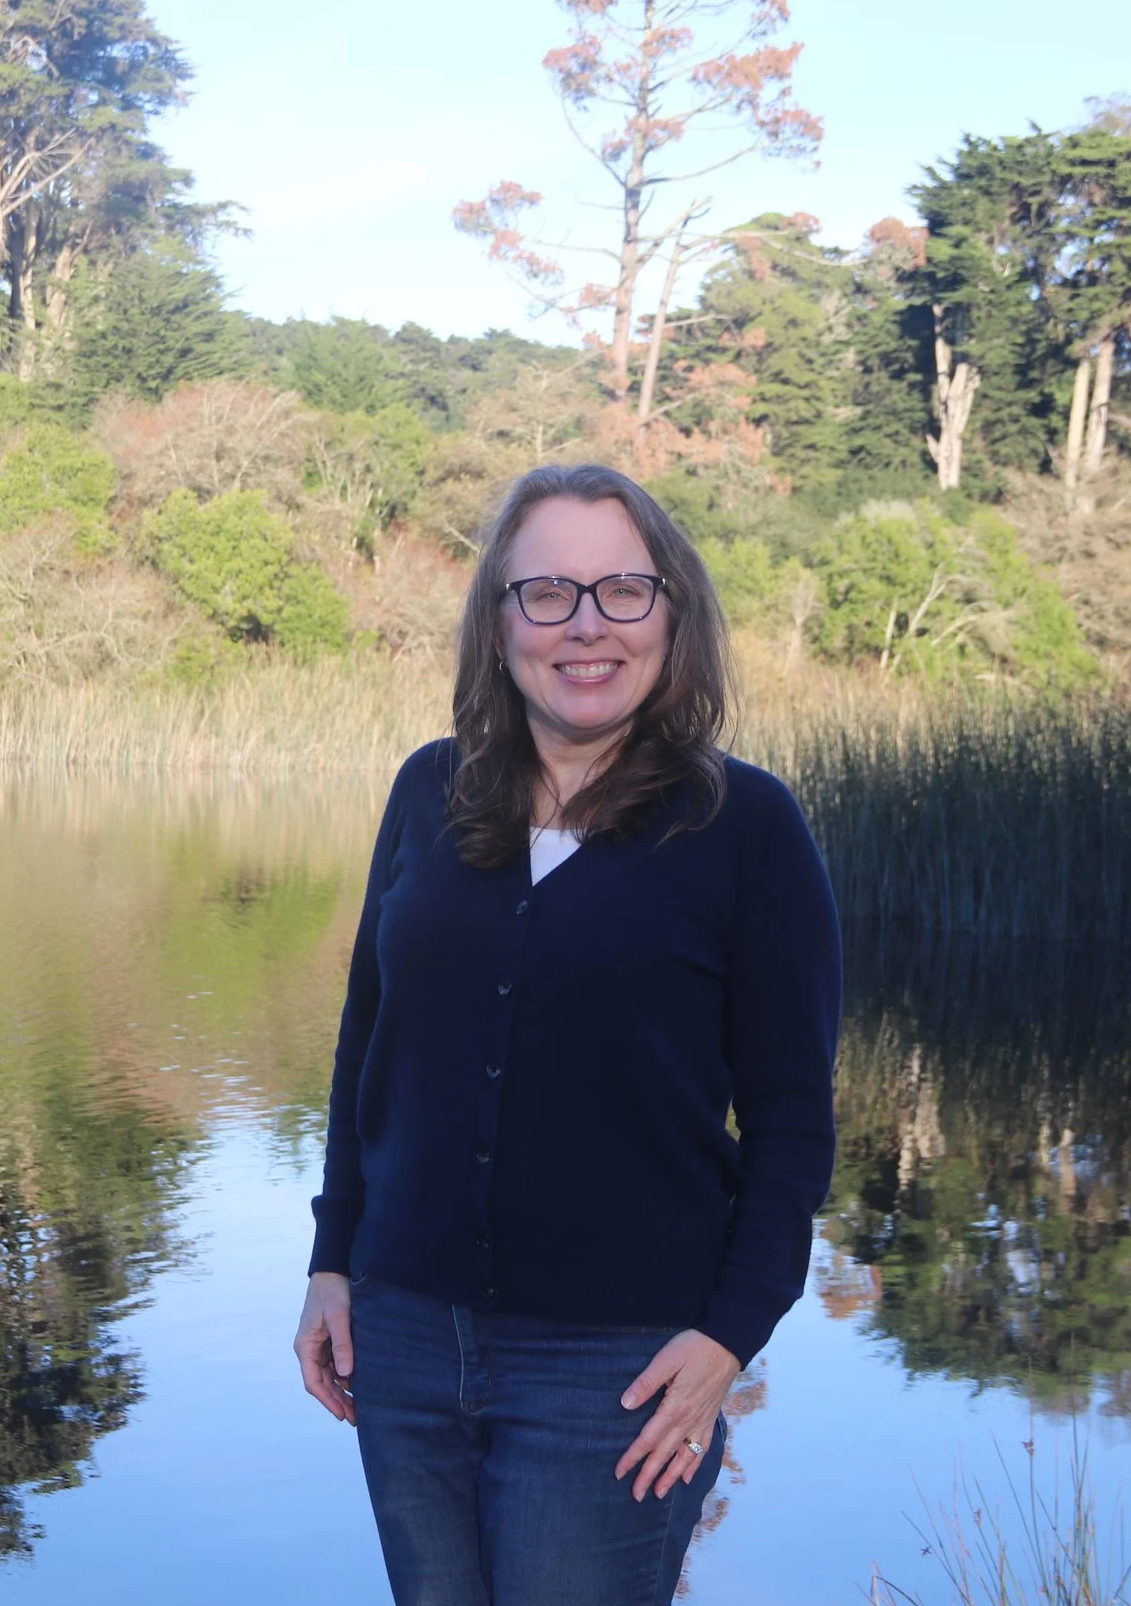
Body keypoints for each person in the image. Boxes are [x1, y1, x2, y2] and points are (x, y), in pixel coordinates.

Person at [293, 463, 842, 1606]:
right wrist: (331, 1258)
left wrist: (733, 1333)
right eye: (545, 592)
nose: (585, 624)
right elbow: (367, 1044)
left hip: (621, 1364)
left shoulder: (746, 826)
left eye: (622, 590)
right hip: (402, 1334)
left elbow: (791, 1115)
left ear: (672, 616)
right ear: (498, 626)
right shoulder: (428, 791)